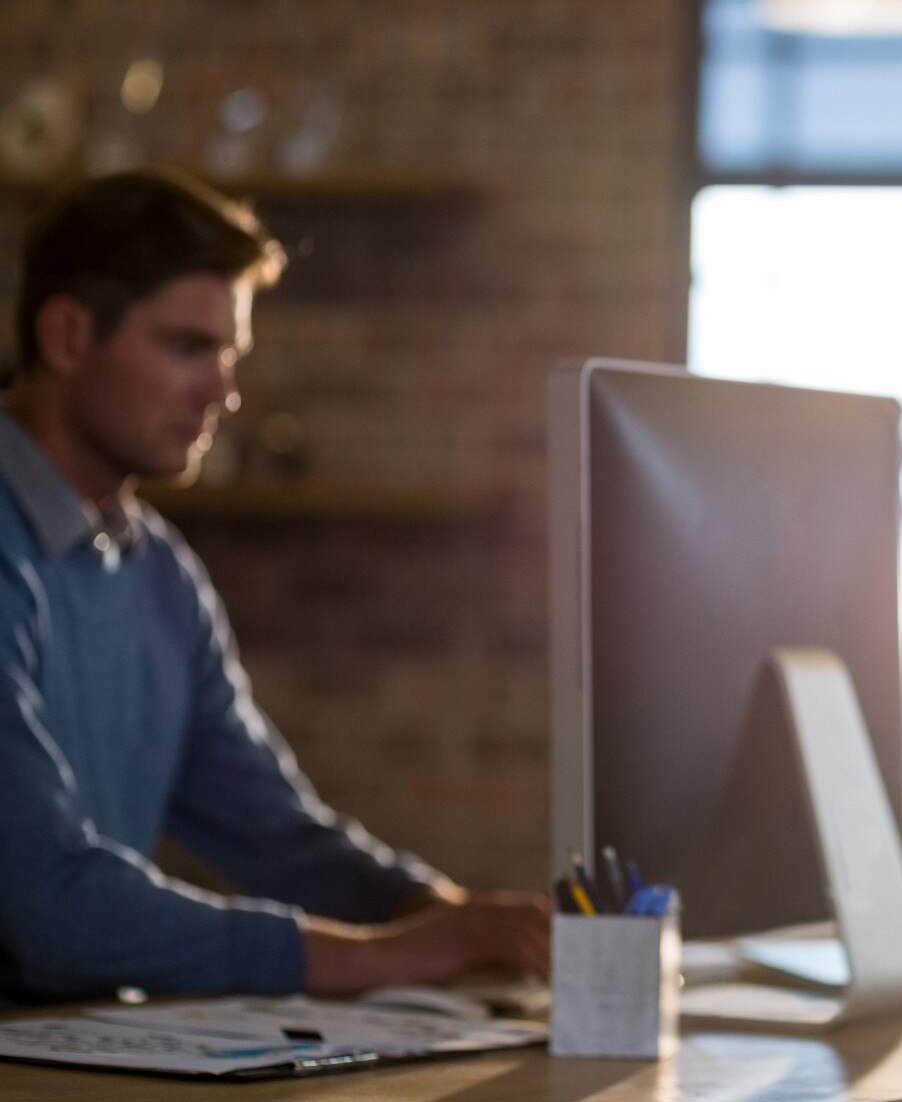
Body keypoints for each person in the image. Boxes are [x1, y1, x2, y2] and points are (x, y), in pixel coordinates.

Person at [0, 168, 549, 1006]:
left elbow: (272, 828)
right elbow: (44, 899)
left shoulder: (159, 570)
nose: (223, 391)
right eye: (188, 346)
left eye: (228, 356)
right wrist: (383, 957)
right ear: (68, 335)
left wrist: (446, 914)